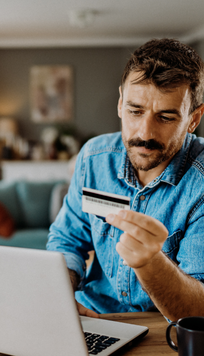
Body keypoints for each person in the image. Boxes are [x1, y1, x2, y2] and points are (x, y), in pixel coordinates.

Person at [47, 38, 204, 322]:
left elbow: (198, 314)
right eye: (135, 111)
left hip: (162, 328)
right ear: (120, 103)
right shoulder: (94, 158)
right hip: (90, 316)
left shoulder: (201, 185)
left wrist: (150, 263)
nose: (144, 133)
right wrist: (60, 298)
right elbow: (67, 240)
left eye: (166, 117)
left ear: (193, 119)